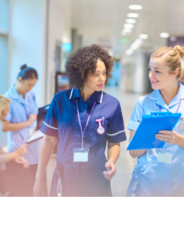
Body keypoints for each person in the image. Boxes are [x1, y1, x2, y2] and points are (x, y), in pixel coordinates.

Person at [33, 45, 127, 198]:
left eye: (104, 73)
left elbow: (115, 142)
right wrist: (38, 179)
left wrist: (111, 161)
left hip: (96, 178)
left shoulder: (111, 104)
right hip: (65, 176)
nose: (102, 78)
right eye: (96, 74)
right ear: (82, 74)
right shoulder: (60, 100)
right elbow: (49, 140)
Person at [127, 46, 184, 198]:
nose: (151, 75)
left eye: (157, 71)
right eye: (150, 69)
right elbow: (133, 152)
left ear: (174, 73)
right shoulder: (143, 103)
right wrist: (147, 135)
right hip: (148, 183)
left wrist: (178, 139)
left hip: (182, 183)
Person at [2, 65, 40, 184]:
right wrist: (27, 123)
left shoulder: (31, 94)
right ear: (20, 80)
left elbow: (34, 114)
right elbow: (5, 127)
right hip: (18, 146)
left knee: (35, 181)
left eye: (33, 85)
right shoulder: (7, 98)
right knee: (22, 185)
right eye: (29, 85)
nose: (31, 88)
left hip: (33, 144)